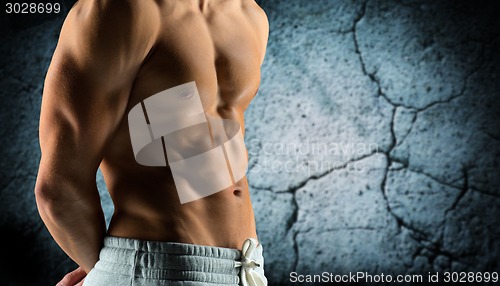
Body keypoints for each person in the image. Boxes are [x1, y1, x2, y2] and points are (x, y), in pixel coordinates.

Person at [34, 0, 269, 285]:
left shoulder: (250, 14)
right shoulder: (120, 10)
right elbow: (58, 187)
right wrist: (112, 271)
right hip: (154, 269)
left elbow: (197, 144)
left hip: (246, 268)